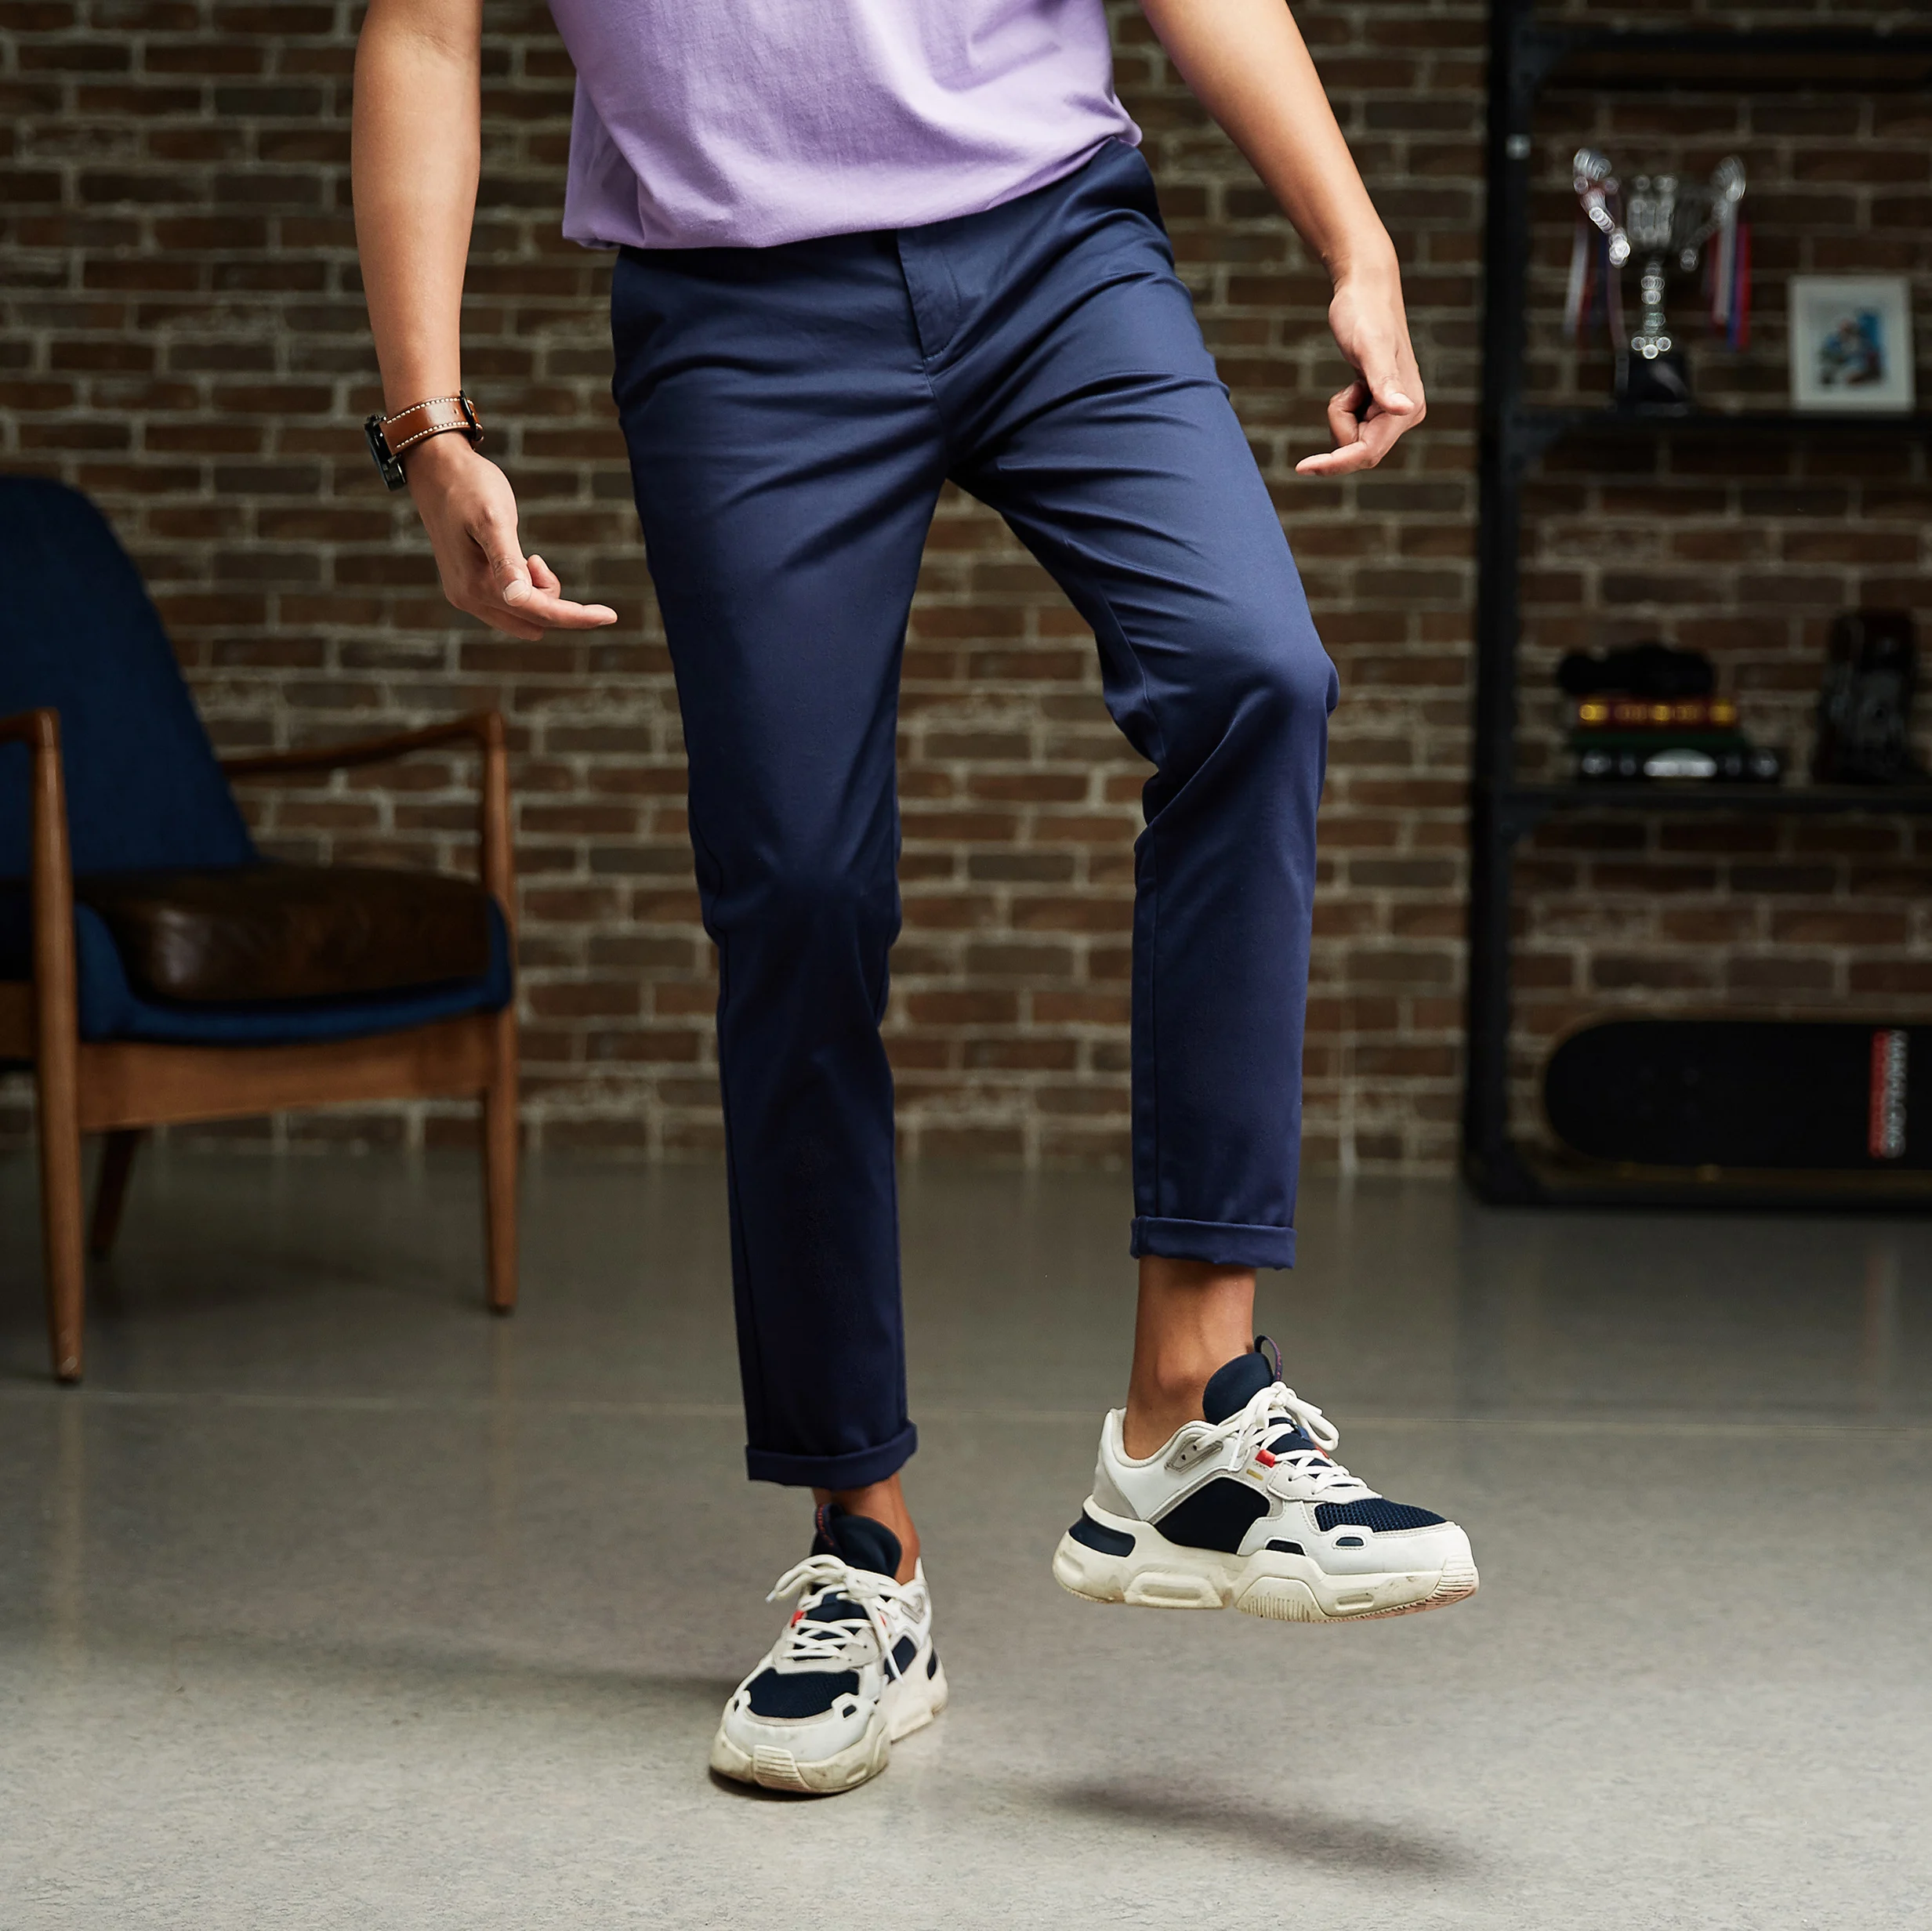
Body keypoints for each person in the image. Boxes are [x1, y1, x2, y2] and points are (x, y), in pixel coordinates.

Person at [352, 0, 1477, 1797]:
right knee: (793, 886)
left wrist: (1354, 237)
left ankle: (1190, 1412)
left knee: (1251, 674)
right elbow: (422, 32)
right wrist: (427, 422)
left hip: (1051, 241)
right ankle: (860, 1553)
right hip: (735, 304)